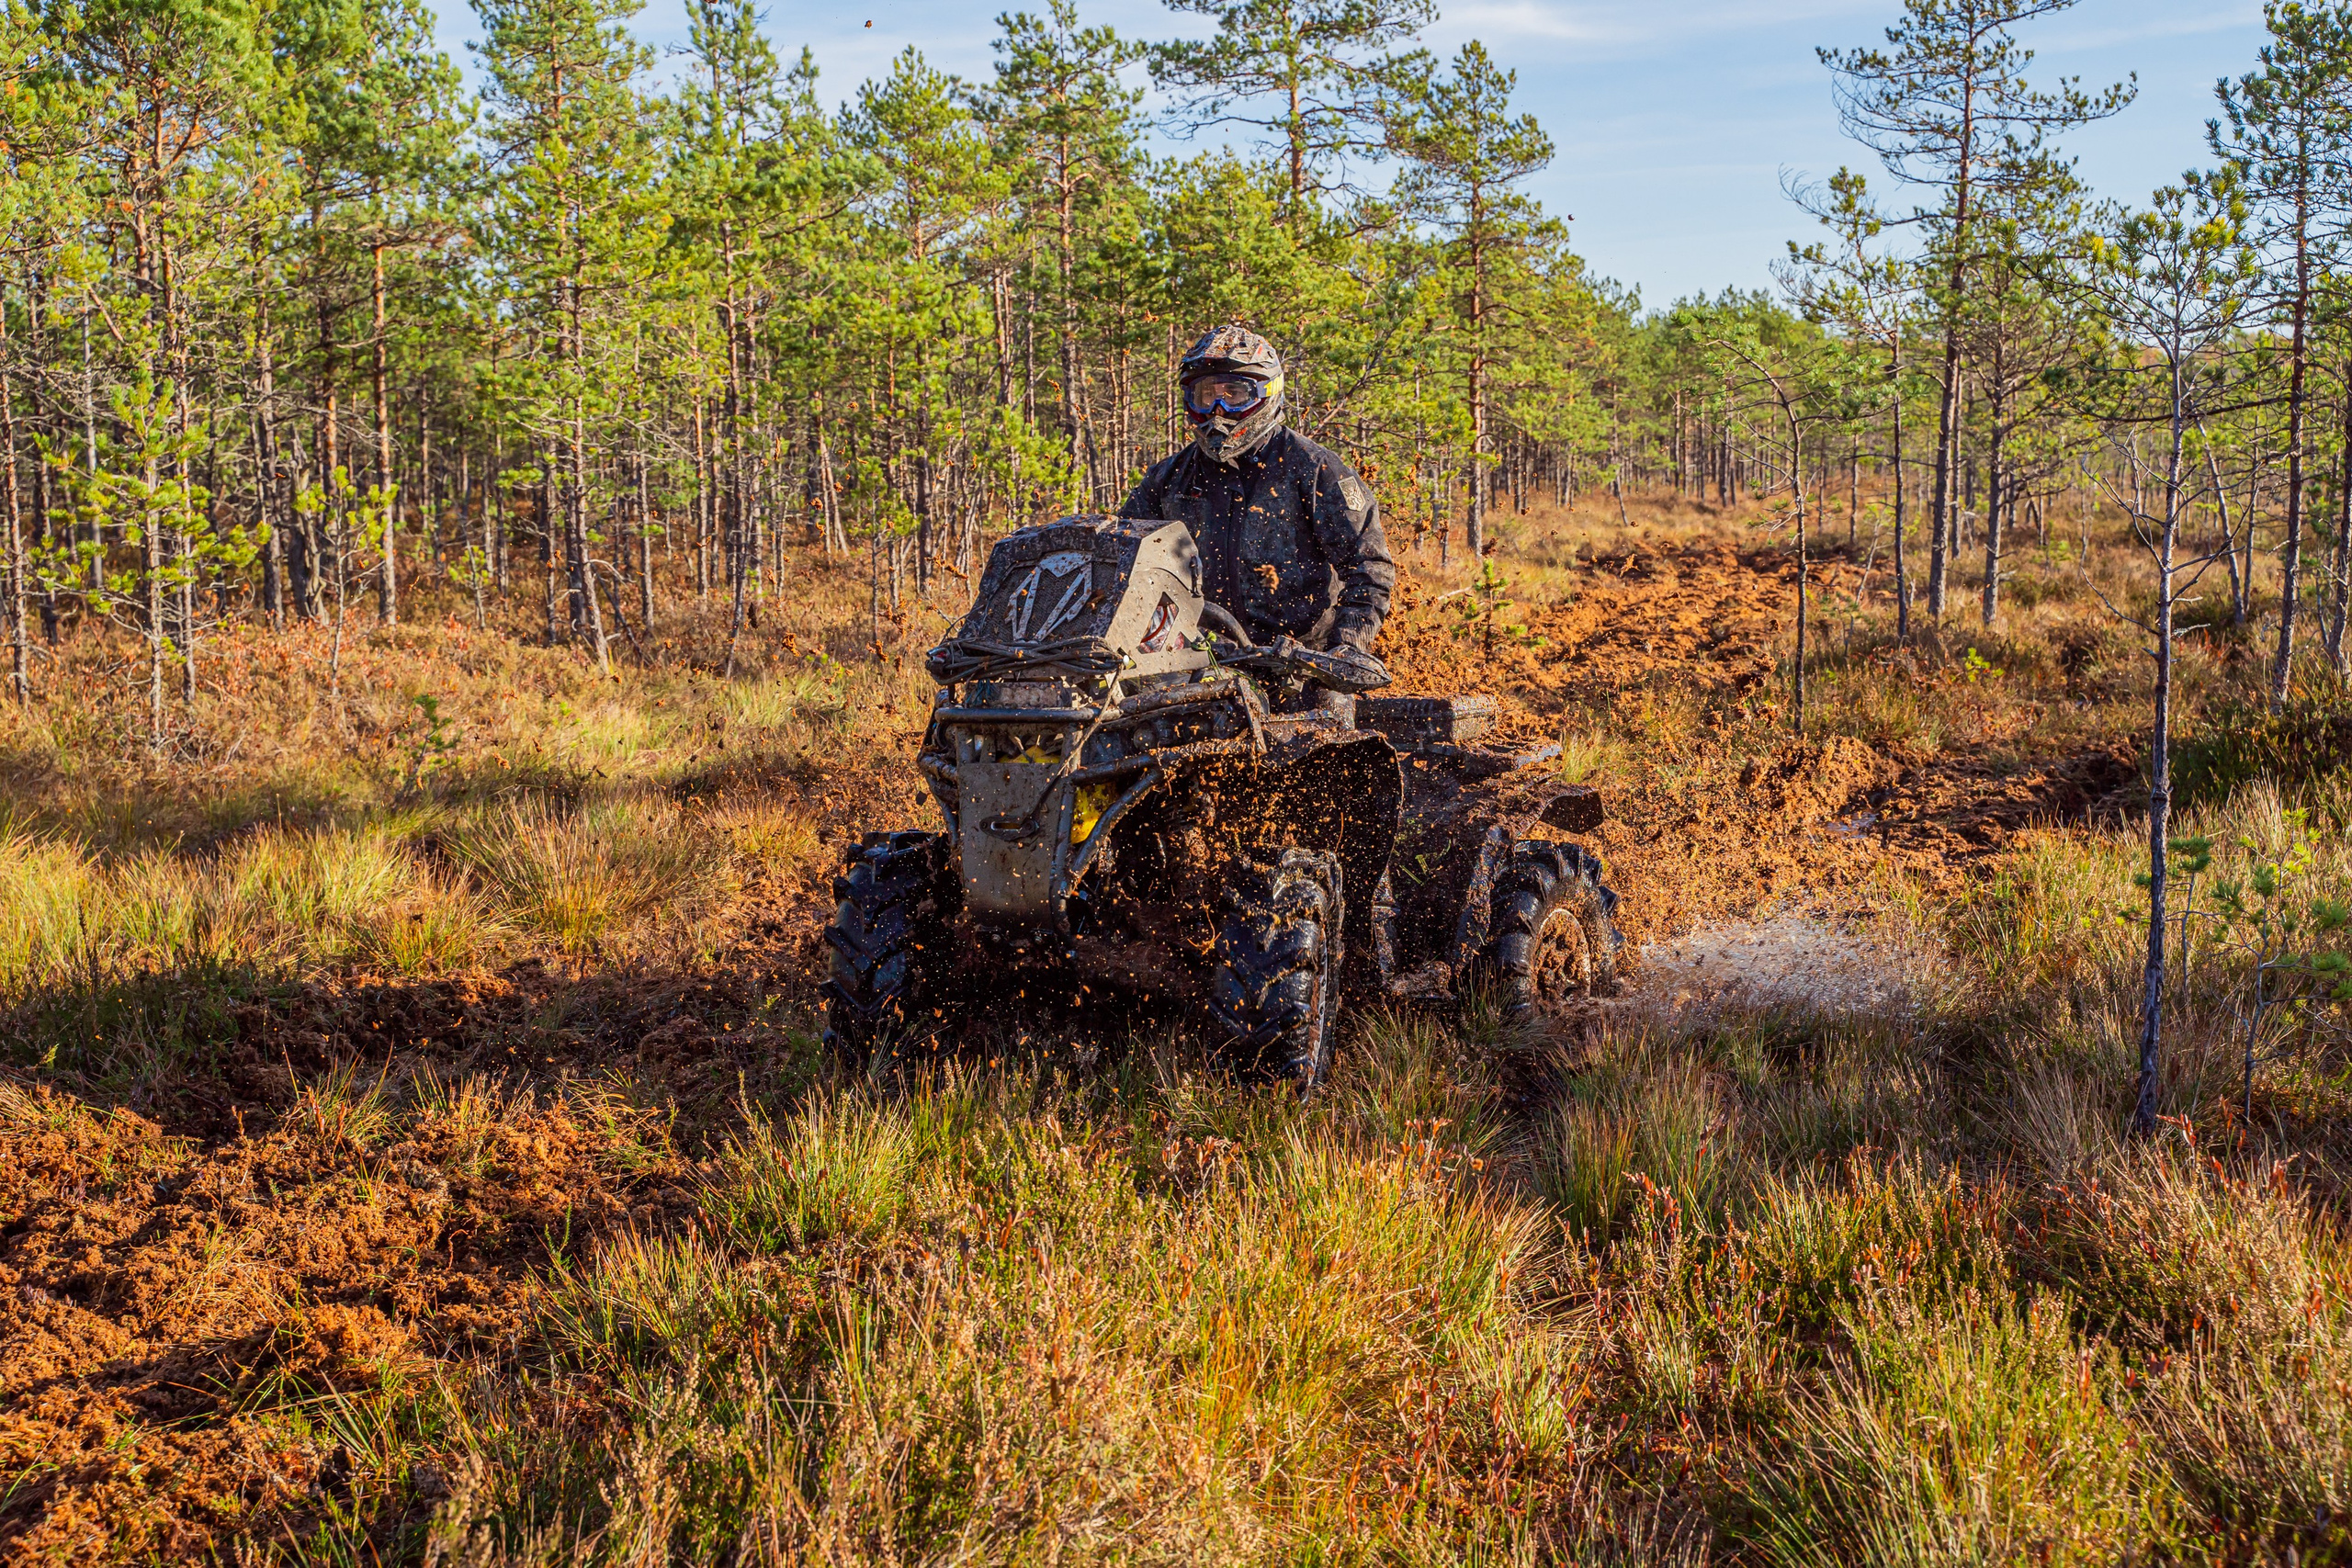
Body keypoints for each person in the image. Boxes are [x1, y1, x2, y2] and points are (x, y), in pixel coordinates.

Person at [1120, 326, 1395, 683]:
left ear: (1267, 393)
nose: (1218, 409)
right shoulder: (1169, 478)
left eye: (1233, 394)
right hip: (1201, 664)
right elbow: (1125, 564)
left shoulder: (1313, 468)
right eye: (1206, 396)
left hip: (1302, 666)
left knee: (1327, 718)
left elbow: (1368, 565)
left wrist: (1347, 646)